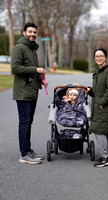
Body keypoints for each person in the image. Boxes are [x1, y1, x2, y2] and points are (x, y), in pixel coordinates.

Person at [11, 22, 48, 165]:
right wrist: (36, 69)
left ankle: (28, 150)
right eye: (30, 32)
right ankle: (24, 155)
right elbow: (15, 68)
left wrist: (42, 80)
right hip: (23, 92)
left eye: (34, 32)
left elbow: (34, 69)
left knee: (29, 122)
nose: (33, 34)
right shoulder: (19, 48)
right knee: (24, 122)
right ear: (24, 33)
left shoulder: (32, 49)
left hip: (32, 91)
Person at [88, 47, 108, 167]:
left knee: (98, 130)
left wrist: (101, 102)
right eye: (96, 56)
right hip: (99, 105)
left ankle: (105, 157)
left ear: (105, 57)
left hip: (104, 106)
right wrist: (90, 91)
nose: (98, 58)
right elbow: (97, 91)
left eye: (101, 56)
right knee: (103, 131)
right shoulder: (98, 72)